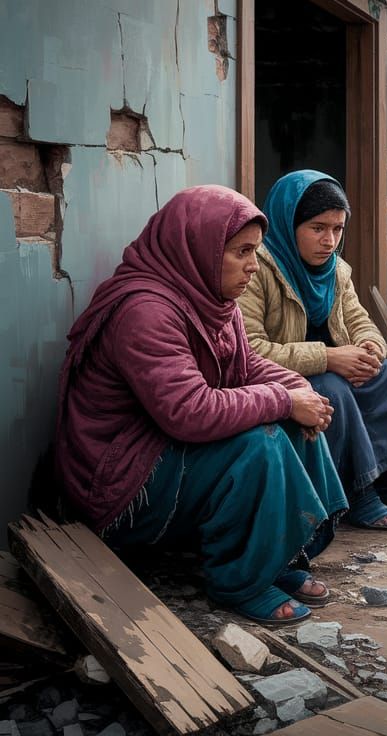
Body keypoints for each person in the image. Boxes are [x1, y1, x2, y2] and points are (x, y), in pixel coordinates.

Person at [55, 185, 347, 625]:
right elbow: (189, 411)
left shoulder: (213, 296)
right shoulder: (145, 311)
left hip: (164, 446)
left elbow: (248, 367)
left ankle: (278, 557)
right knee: (261, 442)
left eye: (256, 251)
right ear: (199, 248)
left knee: (294, 421)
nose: (254, 266)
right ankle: (240, 581)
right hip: (120, 477)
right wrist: (283, 400)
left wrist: (298, 391)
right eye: (242, 252)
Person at [239, 170, 387, 531]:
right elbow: (250, 350)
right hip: (282, 380)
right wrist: (329, 357)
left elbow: (359, 320)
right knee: (332, 390)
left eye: (338, 229)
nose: (330, 240)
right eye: (317, 228)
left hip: (335, 367)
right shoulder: (256, 268)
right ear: (289, 223)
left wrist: (370, 347)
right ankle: (358, 492)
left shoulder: (336, 271)